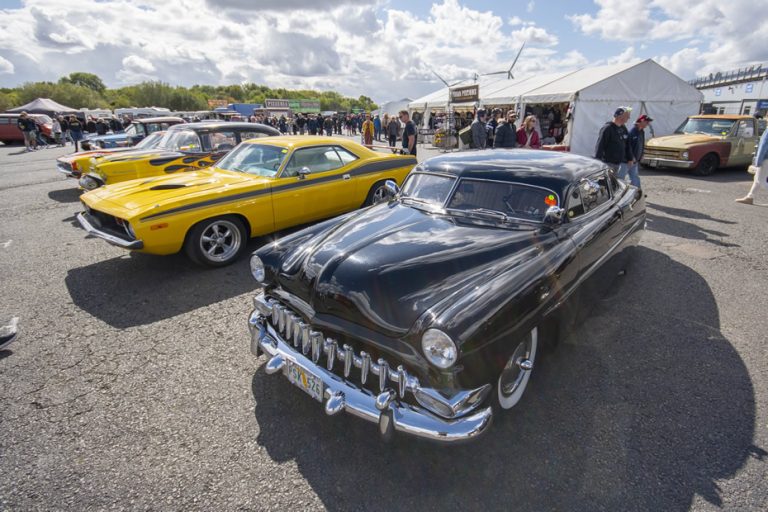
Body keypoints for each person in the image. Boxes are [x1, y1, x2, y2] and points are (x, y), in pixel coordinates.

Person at [735, 120, 768, 205]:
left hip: (765, 158)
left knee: (761, 181)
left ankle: (749, 197)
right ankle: (750, 197)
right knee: (757, 179)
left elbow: (763, 146)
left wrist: (758, 160)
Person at [620, 114, 652, 188]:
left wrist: (642, 154)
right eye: (647, 122)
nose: (648, 124)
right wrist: (631, 157)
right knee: (620, 178)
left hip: (635, 161)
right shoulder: (632, 132)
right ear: (642, 121)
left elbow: (642, 144)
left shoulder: (641, 132)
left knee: (635, 177)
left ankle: (637, 191)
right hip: (626, 161)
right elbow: (627, 146)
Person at [594, 107, 631, 171]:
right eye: (627, 116)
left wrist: (630, 158)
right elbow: (600, 146)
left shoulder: (623, 128)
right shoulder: (608, 128)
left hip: (618, 164)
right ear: (620, 116)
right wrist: (597, 162)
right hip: (607, 164)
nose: (629, 118)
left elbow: (627, 144)